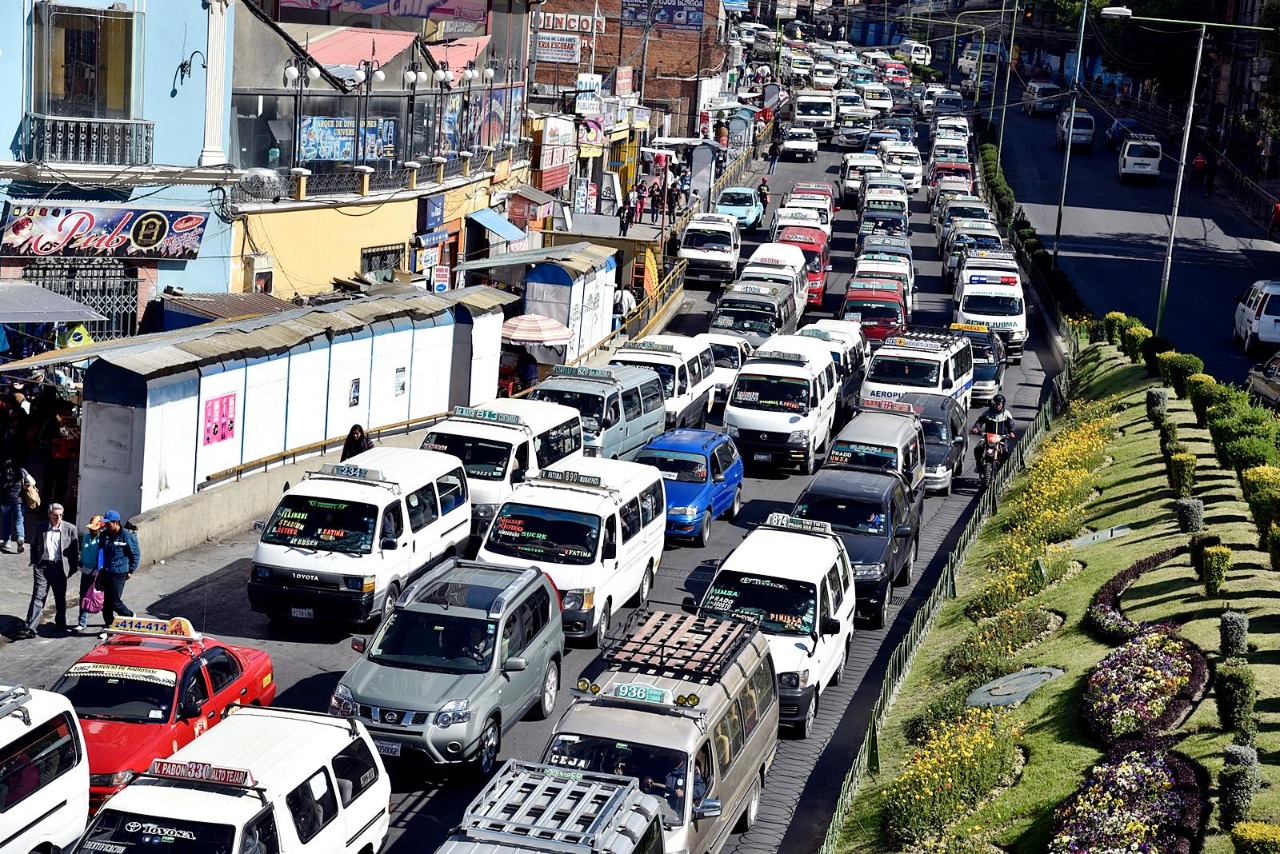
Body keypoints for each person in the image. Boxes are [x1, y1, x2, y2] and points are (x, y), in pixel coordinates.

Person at [18, 503, 79, 638]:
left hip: (59, 567)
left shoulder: (70, 529)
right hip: (43, 566)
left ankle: (60, 624)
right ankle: (30, 628)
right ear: (49, 514)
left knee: (60, 597)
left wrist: (71, 569)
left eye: (60, 515)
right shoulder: (41, 527)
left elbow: (75, 552)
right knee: (38, 596)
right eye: (55, 515)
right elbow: (33, 545)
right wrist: (35, 561)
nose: (58, 518)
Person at [98, 510, 140, 628]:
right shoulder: (104, 535)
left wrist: (131, 570)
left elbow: (135, 554)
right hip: (105, 572)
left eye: (108, 523)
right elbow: (101, 553)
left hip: (119, 573)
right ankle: (109, 624)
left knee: (115, 602)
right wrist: (99, 569)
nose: (106, 525)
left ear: (116, 522)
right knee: (106, 604)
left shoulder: (126, 536)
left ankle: (129, 615)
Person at [74, 515, 105, 632]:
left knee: (99, 598)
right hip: (86, 571)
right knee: (83, 596)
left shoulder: (102, 539)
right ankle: (82, 622)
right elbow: (82, 552)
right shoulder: (86, 537)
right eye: (91, 528)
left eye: (94, 528)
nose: (92, 530)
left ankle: (108, 621)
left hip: (97, 573)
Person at [971, 394, 1016, 465]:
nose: (997, 406)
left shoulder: (1006, 414)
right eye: (995, 404)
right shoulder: (987, 413)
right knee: (978, 449)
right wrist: (976, 428)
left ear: (1003, 404)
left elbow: (1011, 425)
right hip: (988, 437)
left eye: (999, 404)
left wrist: (1011, 432)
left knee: (1006, 454)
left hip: (1001, 438)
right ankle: (978, 464)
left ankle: (1002, 470)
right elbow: (980, 422)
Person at [0, 458, 31, 553]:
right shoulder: (21, 471)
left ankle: (7, 542)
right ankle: (20, 538)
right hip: (19, 500)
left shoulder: (1, 472)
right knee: (19, 520)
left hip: (5, 501)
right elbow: (33, 482)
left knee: (6, 521)